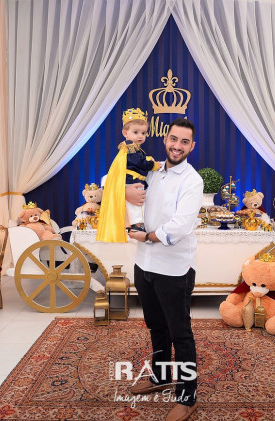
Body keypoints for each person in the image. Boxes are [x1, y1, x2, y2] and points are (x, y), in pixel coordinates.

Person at [127, 118, 203, 421]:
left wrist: (148, 236)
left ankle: (187, 397)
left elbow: (180, 226)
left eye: (184, 142)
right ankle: (159, 377)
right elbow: (112, 179)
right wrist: (124, 193)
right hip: (143, 263)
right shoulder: (152, 170)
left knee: (180, 333)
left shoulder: (192, 180)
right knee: (155, 326)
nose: (177, 146)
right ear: (165, 139)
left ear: (192, 146)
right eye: (174, 139)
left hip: (174, 268)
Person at [96, 108, 160, 243]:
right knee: (136, 203)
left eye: (143, 133)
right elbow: (139, 162)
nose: (140, 136)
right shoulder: (130, 148)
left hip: (133, 179)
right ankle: (136, 224)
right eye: (136, 132)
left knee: (135, 203)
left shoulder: (135, 149)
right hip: (130, 180)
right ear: (125, 133)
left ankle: (135, 223)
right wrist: (153, 165)